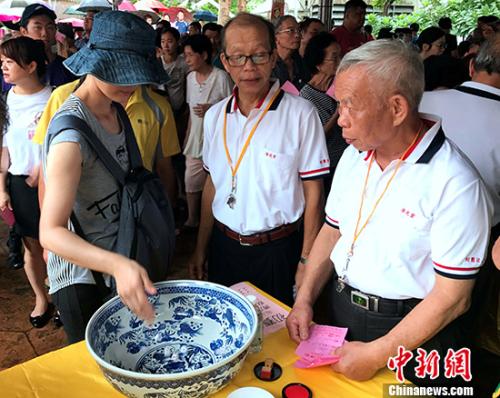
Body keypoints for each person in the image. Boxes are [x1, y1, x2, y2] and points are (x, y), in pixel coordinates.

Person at [286, 39, 492, 385]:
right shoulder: (355, 155)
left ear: (397, 108)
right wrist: (304, 297)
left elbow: (452, 297)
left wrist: (378, 353)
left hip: (411, 332)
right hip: (342, 309)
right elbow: (332, 231)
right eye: (340, 105)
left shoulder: (455, 182)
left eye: (350, 106)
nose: (341, 121)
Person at [39, 11, 170, 343]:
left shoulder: (117, 110)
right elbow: (51, 232)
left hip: (119, 256)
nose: (132, 85)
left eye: (137, 76)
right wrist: (116, 265)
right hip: (83, 277)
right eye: (122, 75)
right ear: (95, 64)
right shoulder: (72, 136)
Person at [188, 13, 329, 306]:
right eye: (238, 57)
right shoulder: (215, 117)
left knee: (276, 341)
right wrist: (201, 248)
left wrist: (306, 260)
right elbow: (212, 184)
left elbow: (313, 193)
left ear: (274, 56)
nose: (249, 67)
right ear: (224, 61)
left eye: (259, 55)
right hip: (223, 246)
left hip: (278, 250)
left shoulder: (301, 114)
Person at [419, 36, 500, 394]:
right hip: (480, 247)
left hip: (409, 235)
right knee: (458, 322)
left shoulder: (425, 100)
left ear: (471, 65)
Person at [0, 37, 53, 328]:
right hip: (20, 186)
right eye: (2, 63)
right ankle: (41, 298)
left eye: (9, 62)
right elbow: (6, 146)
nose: (4, 68)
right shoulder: (7, 99)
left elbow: (61, 146)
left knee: (56, 246)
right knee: (31, 247)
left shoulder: (54, 99)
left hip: (52, 184)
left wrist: (41, 171)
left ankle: (62, 293)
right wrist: (2, 188)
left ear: (31, 66)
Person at [183, 34, 232, 229]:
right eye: (185, 55)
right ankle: (192, 218)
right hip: (195, 138)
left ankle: (210, 221)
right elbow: (189, 112)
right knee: (190, 181)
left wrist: (212, 108)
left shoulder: (220, 77)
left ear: (203, 55)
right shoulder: (189, 78)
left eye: (190, 55)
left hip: (218, 139)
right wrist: (187, 136)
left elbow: (232, 107)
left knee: (216, 181)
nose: (186, 59)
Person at [299, 32, 345, 193]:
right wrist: (338, 112)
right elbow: (318, 136)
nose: (340, 62)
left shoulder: (341, 85)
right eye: (334, 58)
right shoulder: (306, 96)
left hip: (345, 159)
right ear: (318, 63)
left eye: (341, 56)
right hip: (325, 164)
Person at [18, 4, 75, 87]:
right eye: (38, 27)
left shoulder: (69, 69)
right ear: (23, 31)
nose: (44, 34)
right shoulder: (12, 70)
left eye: (49, 27)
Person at [272, 15, 309, 90]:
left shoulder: (299, 61)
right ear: (276, 36)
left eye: (299, 30)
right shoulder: (270, 63)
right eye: (290, 31)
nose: (297, 35)